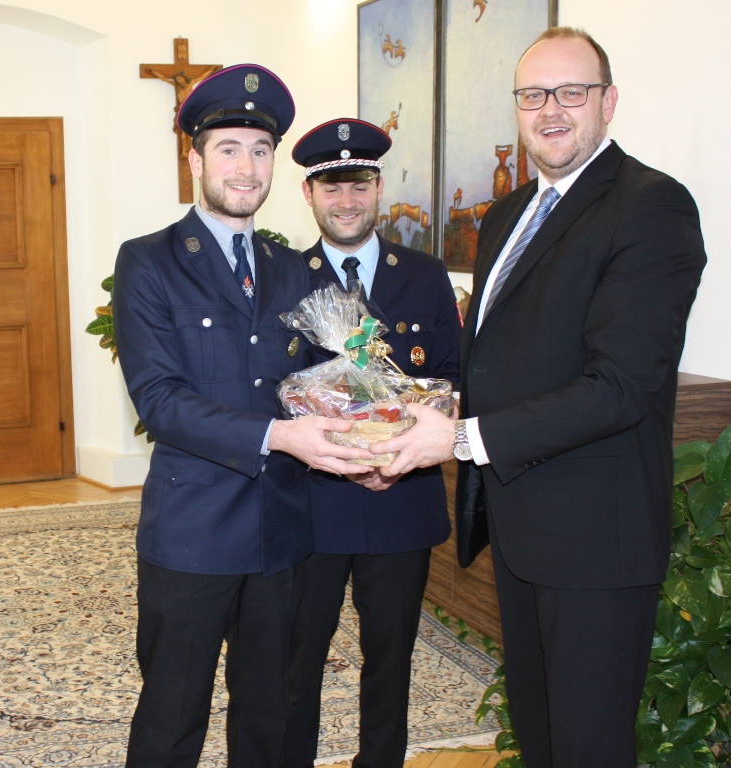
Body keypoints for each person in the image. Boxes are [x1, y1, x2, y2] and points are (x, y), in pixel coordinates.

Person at [371, 28, 707, 766]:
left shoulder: (653, 208)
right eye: (532, 95)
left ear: (608, 101)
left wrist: (459, 440)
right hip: (520, 530)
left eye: (571, 92)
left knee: (588, 747)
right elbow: (502, 359)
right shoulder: (505, 214)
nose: (550, 110)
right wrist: (427, 407)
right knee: (542, 738)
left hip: (596, 540)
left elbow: (620, 386)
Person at [112, 65, 372, 768]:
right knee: (172, 717)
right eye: (228, 148)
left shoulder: (293, 271)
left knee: (270, 717)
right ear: (195, 158)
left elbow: (330, 379)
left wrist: (368, 429)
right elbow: (160, 401)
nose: (246, 166)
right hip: (192, 536)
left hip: (280, 534)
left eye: (260, 150)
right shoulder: (149, 263)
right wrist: (283, 434)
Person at [279, 118, 461, 767]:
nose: (346, 200)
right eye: (332, 187)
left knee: (391, 662)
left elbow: (453, 379)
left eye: (358, 184)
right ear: (308, 193)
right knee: (295, 663)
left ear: (379, 187)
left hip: (400, 501)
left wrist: (399, 446)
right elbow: (266, 392)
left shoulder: (424, 274)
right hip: (310, 506)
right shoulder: (282, 280)